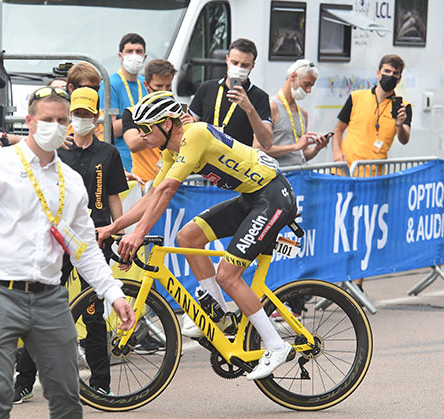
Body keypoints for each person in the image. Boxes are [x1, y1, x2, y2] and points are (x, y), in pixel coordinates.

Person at [0, 86, 135, 418]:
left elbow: (83, 246)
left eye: (61, 119)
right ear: (30, 121)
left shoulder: (70, 180)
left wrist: (114, 293)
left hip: (51, 298)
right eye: (47, 119)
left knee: (67, 397)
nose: (56, 125)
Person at [98, 92, 297, 380]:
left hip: (274, 198)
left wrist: (138, 234)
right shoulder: (170, 151)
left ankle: (276, 345)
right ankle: (217, 312)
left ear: (167, 124)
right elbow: (152, 194)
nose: (142, 136)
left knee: (228, 275)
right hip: (251, 198)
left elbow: (167, 191)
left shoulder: (196, 135)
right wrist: (114, 228)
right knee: (188, 237)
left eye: (146, 129)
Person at [11, 87, 131, 402]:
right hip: (56, 241)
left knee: (93, 314)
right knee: (40, 310)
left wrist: (119, 236)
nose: (80, 120)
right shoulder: (57, 150)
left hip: (95, 240)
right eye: (75, 114)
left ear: (96, 116)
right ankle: (23, 382)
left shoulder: (109, 153)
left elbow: (114, 197)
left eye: (86, 114)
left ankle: (101, 383)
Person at [331, 54, 412, 292]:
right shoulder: (356, 98)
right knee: (339, 226)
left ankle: (357, 284)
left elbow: (405, 139)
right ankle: (336, 278)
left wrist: (400, 123)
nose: (390, 77)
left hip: (373, 178)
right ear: (378, 73)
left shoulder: (403, 106)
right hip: (345, 174)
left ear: (399, 78)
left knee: (363, 229)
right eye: (387, 72)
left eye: (395, 74)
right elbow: (337, 130)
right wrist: (337, 152)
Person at [188, 38, 273, 148]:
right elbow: (190, 122)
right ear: (227, 59)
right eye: (235, 63)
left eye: (244, 65)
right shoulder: (207, 88)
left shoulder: (259, 96)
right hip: (205, 157)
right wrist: (189, 122)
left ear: (252, 65)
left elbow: (267, 143)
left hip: (236, 162)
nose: (238, 68)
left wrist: (249, 109)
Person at [122, 59, 193, 183]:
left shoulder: (178, 110)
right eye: (158, 87)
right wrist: (158, 131)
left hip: (174, 183)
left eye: (168, 87)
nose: (164, 92)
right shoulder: (133, 112)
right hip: (145, 183)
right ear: (146, 85)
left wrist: (189, 128)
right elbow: (132, 144)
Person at [256, 59, 330, 167]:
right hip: (278, 177)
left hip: (299, 174)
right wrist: (294, 147)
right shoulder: (271, 106)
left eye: (311, 86)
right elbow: (258, 148)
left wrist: (317, 148)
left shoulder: (303, 113)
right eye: (306, 84)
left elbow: (301, 154)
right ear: (293, 76)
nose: (309, 90)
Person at [99, 33, 148, 171]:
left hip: (146, 161)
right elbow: (107, 131)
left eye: (138, 52)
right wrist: (141, 116)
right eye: (129, 51)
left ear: (145, 57)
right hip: (121, 162)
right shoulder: (110, 84)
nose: (134, 55)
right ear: (121, 56)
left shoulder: (144, 83)